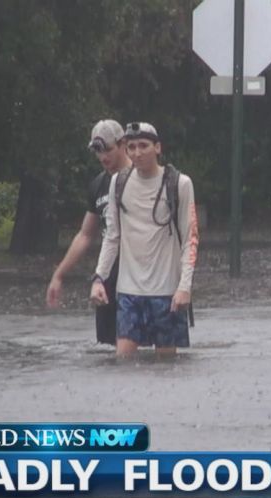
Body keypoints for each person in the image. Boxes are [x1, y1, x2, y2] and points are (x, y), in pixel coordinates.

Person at [89, 122, 198, 357]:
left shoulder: (179, 184)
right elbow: (112, 237)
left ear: (157, 147)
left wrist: (184, 287)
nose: (137, 153)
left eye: (143, 146)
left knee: (166, 368)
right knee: (124, 364)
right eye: (131, 147)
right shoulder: (118, 183)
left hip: (167, 293)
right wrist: (99, 278)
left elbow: (190, 239)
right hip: (129, 292)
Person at [46, 119, 131, 345]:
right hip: (108, 276)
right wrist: (59, 274)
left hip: (140, 276)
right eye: (98, 153)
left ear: (123, 144)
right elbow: (85, 235)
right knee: (107, 352)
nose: (104, 158)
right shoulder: (97, 185)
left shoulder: (141, 177)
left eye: (109, 150)